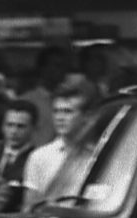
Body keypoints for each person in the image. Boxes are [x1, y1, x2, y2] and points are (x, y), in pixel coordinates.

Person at [22, 80, 100, 211]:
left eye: (67, 111)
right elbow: (30, 208)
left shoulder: (100, 154)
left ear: (86, 116)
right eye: (56, 111)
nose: (60, 117)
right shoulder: (39, 156)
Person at [0, 99, 38, 212]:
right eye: (10, 125)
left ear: (33, 128)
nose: (13, 131)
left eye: (20, 126)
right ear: (2, 126)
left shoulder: (37, 157)